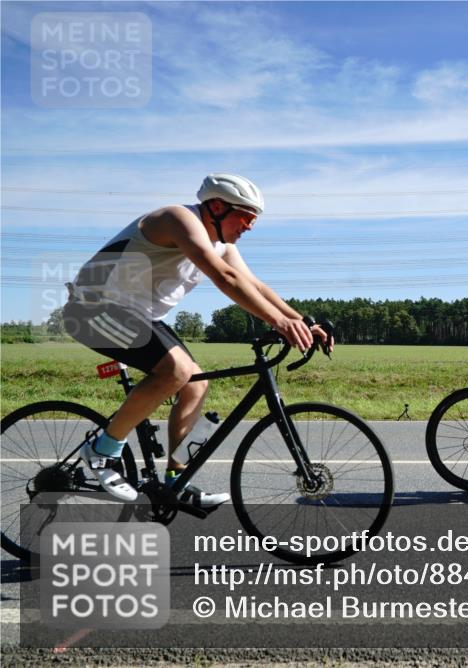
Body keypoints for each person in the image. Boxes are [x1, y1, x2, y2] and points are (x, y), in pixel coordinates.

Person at [63, 174, 326, 506]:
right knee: (176, 370)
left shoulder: (222, 245)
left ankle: (177, 480)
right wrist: (279, 322)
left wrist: (301, 322)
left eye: (254, 220)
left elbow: (255, 285)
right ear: (216, 207)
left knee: (195, 384)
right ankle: (101, 451)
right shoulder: (178, 219)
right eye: (246, 217)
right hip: (91, 309)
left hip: (138, 316)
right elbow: (225, 278)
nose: (250, 227)